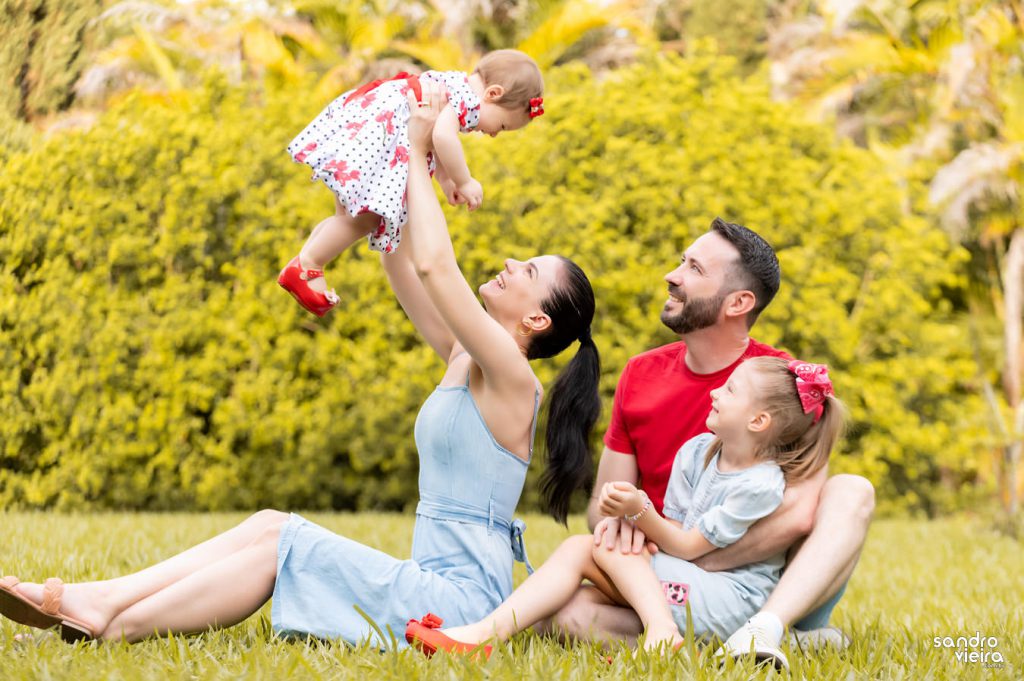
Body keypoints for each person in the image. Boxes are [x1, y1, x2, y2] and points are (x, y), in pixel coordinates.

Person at [0, 82, 596, 648]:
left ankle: (112, 625)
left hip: (462, 608)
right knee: (266, 523)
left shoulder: (515, 380)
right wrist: (378, 187)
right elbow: (401, 258)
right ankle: (94, 600)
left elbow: (436, 269)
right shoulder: (467, 358)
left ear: (537, 321)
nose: (514, 262)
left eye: (531, 272)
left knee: (282, 539)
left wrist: (418, 151)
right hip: (428, 585)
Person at [542, 219, 875, 669]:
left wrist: (695, 559)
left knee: (852, 490)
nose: (673, 275)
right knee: (566, 616)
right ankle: (779, 642)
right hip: (664, 577)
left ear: (739, 302)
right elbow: (602, 506)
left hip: (763, 578)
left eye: (695, 269)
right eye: (682, 261)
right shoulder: (641, 375)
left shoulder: (780, 382)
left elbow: (799, 513)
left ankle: (768, 626)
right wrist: (626, 526)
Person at [406, 358, 845, 658]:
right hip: (683, 575)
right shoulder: (698, 452)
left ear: (758, 422)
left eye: (730, 390)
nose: (715, 392)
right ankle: (483, 632)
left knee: (583, 554)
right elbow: (671, 530)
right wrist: (633, 529)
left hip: (731, 599)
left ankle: (659, 632)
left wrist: (640, 515)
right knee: (572, 582)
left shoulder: (759, 484)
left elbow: (691, 546)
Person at [278, 49, 545, 316]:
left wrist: (445, 179)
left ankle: (307, 265)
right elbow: (442, 137)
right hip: (380, 137)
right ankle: (308, 264)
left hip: (369, 131)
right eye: (502, 125)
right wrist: (464, 181)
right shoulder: (467, 100)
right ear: (493, 94)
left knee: (347, 216)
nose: (495, 134)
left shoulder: (452, 85)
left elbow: (432, 138)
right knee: (369, 218)